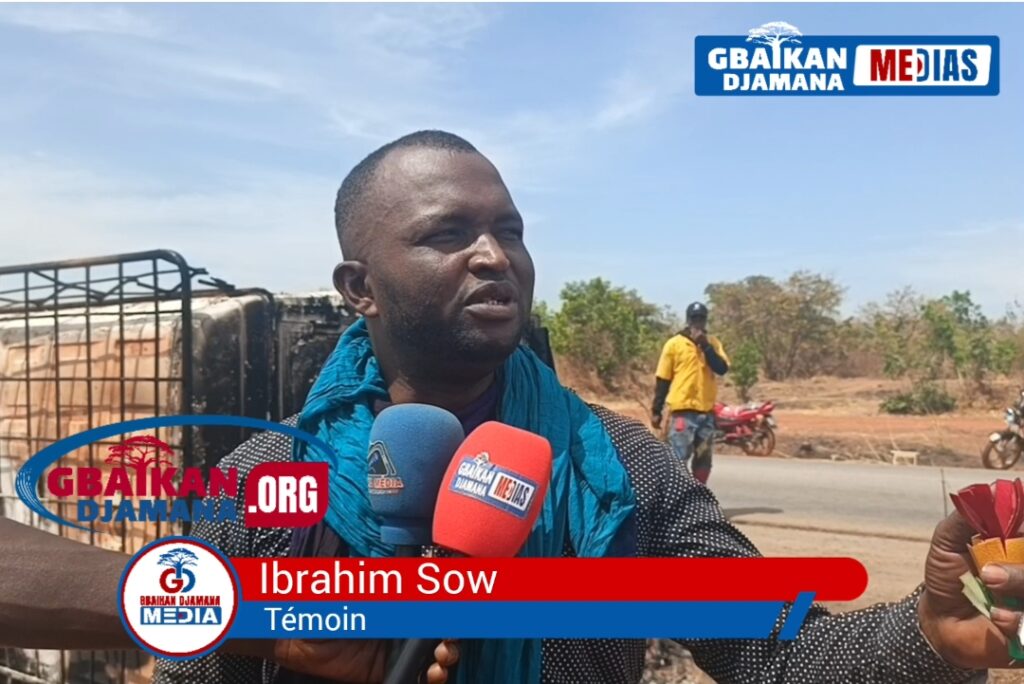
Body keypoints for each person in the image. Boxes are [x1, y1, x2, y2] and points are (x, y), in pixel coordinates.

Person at [1, 130, 1017, 683]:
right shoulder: (269, 474)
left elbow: (775, 653)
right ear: (359, 287)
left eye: (511, 231)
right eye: (448, 234)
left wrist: (928, 637)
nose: (496, 256)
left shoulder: (619, 465)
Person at [650, 302, 728, 484]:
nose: (698, 322)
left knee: (704, 460)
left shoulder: (713, 343)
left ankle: (698, 495)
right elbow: (663, 379)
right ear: (688, 320)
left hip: (706, 413)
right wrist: (656, 410)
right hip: (682, 413)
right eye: (695, 318)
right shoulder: (674, 344)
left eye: (701, 318)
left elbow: (721, 368)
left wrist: (706, 347)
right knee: (678, 458)